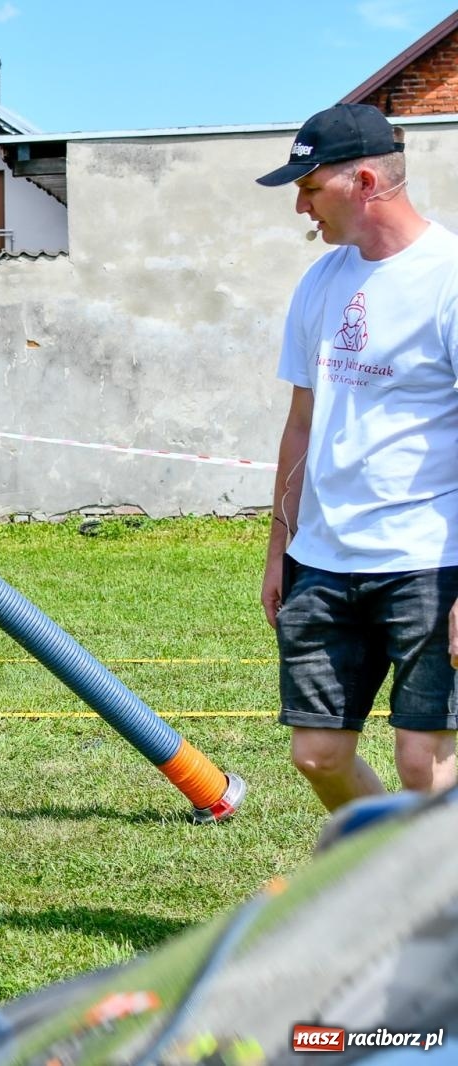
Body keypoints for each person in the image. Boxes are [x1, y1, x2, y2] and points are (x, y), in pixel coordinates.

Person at [257, 103, 458, 812]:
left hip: (430, 560)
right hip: (325, 558)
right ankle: (399, 878)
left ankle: (434, 908)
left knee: (423, 761)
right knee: (317, 754)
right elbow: (302, 423)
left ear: (366, 180)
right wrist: (281, 548)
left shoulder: (449, 279)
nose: (300, 207)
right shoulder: (320, 282)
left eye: (310, 188)